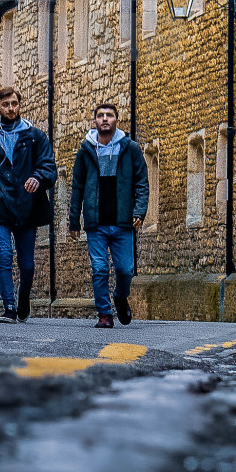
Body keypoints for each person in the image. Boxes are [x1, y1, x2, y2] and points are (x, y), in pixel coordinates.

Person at [0, 86, 57, 322]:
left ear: (20, 105)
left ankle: (23, 297)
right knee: (4, 254)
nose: (10, 108)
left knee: (27, 264)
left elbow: (49, 167)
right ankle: (9, 307)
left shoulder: (35, 137)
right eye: (5, 104)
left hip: (27, 206)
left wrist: (37, 177)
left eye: (14, 104)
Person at [68, 102, 148, 328]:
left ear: (116, 120)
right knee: (100, 268)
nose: (105, 119)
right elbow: (77, 187)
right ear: (95, 121)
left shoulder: (130, 148)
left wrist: (140, 211)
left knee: (125, 270)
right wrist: (74, 220)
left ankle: (120, 297)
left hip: (123, 221)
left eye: (109, 116)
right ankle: (104, 314)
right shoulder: (86, 150)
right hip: (96, 223)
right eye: (100, 116)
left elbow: (142, 181)